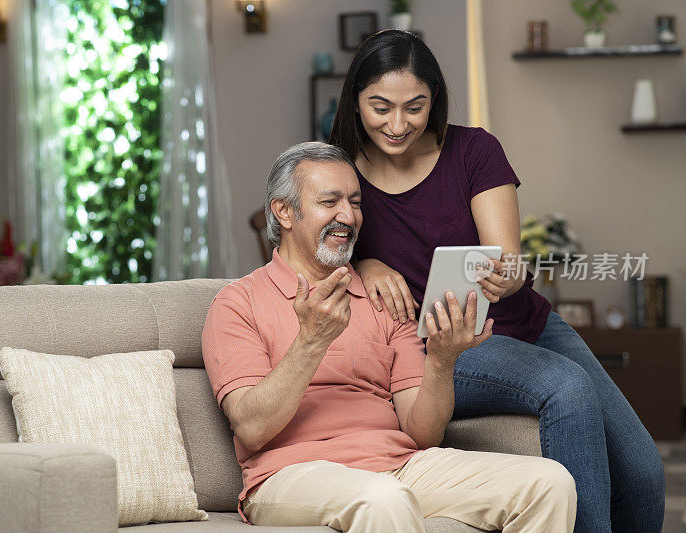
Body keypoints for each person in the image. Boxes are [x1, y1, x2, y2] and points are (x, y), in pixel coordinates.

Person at [327, 29, 664, 532]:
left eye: (414, 107)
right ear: (355, 101)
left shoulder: (474, 150)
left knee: (644, 474)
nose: (397, 125)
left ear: (434, 101)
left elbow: (507, 256)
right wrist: (363, 264)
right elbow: (305, 251)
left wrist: (508, 275)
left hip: (527, 324)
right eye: (381, 107)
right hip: (441, 348)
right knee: (564, 387)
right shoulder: (339, 172)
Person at [202, 141, 576, 533]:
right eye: (329, 202)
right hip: (290, 474)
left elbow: (422, 434)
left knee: (549, 483)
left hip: (398, 466)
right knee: (383, 499)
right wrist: (311, 341)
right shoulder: (237, 303)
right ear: (284, 212)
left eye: (355, 202)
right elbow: (251, 428)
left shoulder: (382, 297)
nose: (347, 215)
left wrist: (441, 359)